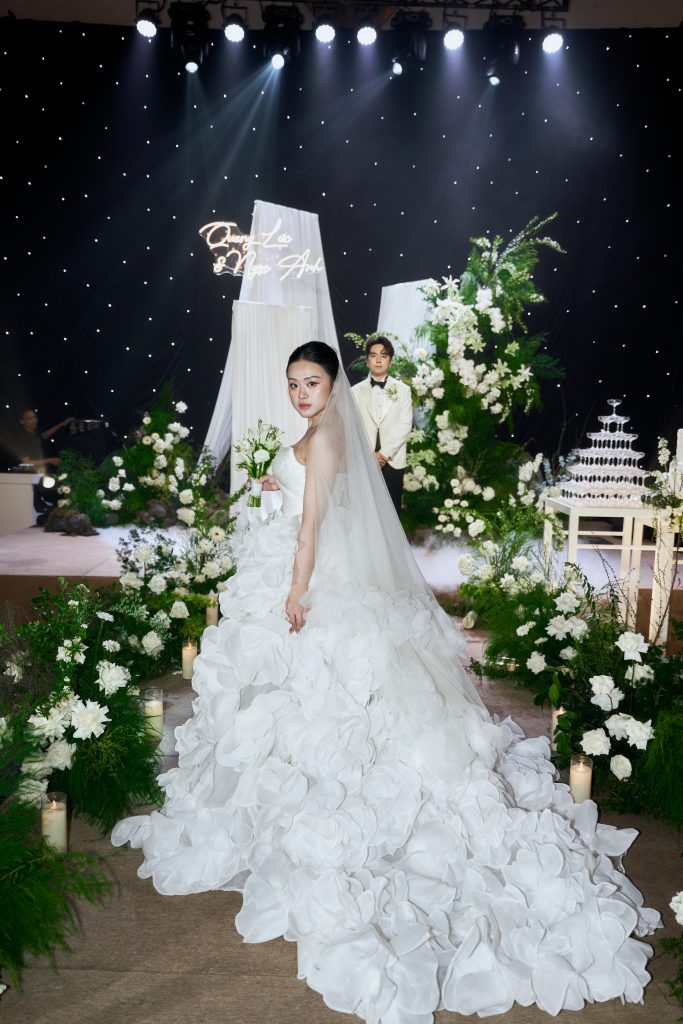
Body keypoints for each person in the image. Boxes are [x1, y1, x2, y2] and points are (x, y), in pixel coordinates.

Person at [113, 341, 659, 1023]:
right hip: (305, 563)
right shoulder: (324, 429)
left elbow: (312, 527)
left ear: (332, 384)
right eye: (293, 383)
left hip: (309, 578)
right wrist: (277, 490)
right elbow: (315, 501)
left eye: (312, 383)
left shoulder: (326, 435)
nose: (301, 393)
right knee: (290, 705)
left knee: (317, 704)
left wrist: (295, 591)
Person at [351, 336, 413, 516]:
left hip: (392, 460)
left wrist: (383, 454)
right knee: (365, 511)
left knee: (392, 512)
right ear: (367, 361)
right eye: (373, 355)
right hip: (364, 460)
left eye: (383, 356)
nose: (378, 360)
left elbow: (405, 425)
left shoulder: (403, 390)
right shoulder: (355, 391)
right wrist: (369, 455)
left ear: (390, 361)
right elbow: (352, 427)